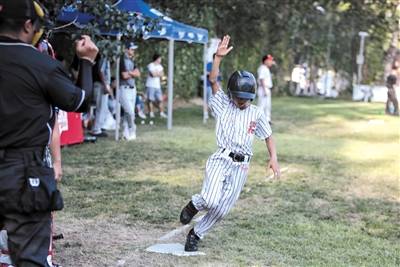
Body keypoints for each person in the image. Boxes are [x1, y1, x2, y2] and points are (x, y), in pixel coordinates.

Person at [0, 0, 98, 266]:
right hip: (23, 171)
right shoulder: (39, 64)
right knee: (30, 257)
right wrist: (87, 62)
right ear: (28, 25)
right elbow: (80, 101)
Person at [179, 35, 280, 252]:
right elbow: (213, 80)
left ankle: (196, 234)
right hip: (221, 158)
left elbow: (268, 136)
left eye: (246, 97)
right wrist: (217, 58)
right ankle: (194, 204)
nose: (242, 101)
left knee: (221, 209)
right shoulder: (223, 105)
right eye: (238, 97)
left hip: (242, 166)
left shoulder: (256, 113)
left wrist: (273, 158)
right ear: (231, 94)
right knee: (210, 199)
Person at [120, 41, 140, 140]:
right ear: (127, 49)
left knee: (128, 113)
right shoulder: (121, 60)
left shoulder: (132, 60)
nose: (133, 51)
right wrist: (132, 73)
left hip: (132, 89)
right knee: (130, 112)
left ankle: (125, 133)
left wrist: (130, 73)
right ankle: (132, 131)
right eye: (132, 49)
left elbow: (138, 73)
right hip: (124, 88)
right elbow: (124, 76)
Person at [90, 54, 113, 137]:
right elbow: (101, 71)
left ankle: (98, 127)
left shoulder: (99, 57)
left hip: (99, 84)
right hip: (100, 84)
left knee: (103, 107)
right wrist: (106, 85)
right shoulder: (103, 57)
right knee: (101, 107)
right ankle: (96, 130)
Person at [145, 53, 167, 118]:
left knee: (160, 99)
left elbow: (162, 75)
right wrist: (158, 73)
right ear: (157, 59)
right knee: (150, 99)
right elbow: (153, 75)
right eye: (160, 58)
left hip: (157, 86)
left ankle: (161, 113)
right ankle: (151, 113)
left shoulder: (160, 66)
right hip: (150, 85)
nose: (161, 60)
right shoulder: (150, 65)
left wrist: (156, 73)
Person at [257, 54, 274, 123]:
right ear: (265, 61)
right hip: (263, 88)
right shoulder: (263, 68)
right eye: (269, 60)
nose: (271, 62)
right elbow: (261, 79)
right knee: (262, 105)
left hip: (266, 88)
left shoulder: (266, 68)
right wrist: (264, 90)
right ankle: (258, 119)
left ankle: (267, 119)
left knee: (267, 105)